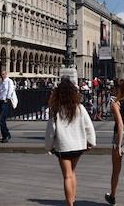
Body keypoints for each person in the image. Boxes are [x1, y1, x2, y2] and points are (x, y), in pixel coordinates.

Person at [44, 75, 96, 206]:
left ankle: (70, 203)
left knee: (67, 175)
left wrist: (48, 147)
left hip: (63, 147)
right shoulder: (79, 108)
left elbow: (51, 131)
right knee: (72, 172)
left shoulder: (55, 110)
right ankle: (72, 199)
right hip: (78, 146)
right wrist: (91, 142)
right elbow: (88, 126)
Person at [0, 71, 16, 143]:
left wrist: (7, 98)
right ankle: (6, 134)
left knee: (1, 119)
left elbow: (10, 90)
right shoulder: (0, 82)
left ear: (6, 74)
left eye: (3, 74)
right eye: (1, 74)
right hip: (0, 101)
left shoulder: (9, 81)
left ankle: (5, 135)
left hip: (5, 101)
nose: (2, 75)